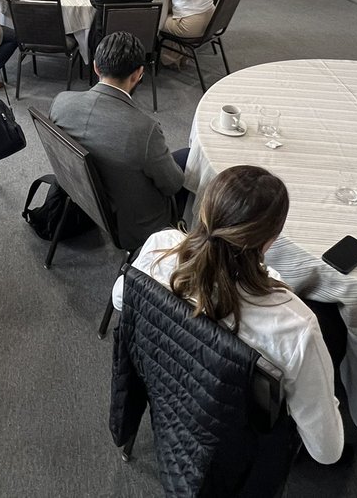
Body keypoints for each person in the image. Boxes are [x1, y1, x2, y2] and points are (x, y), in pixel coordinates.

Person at [113, 165, 344, 465]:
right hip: (232, 438)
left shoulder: (160, 247)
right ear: (269, 242)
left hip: (162, 383)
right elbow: (326, 452)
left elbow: (121, 299)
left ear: (205, 208)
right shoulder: (295, 327)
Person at [50, 32, 187, 248]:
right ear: (138, 74)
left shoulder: (61, 102)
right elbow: (173, 185)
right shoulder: (144, 130)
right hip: (136, 226)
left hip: (85, 200)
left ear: (95, 67)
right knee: (189, 157)